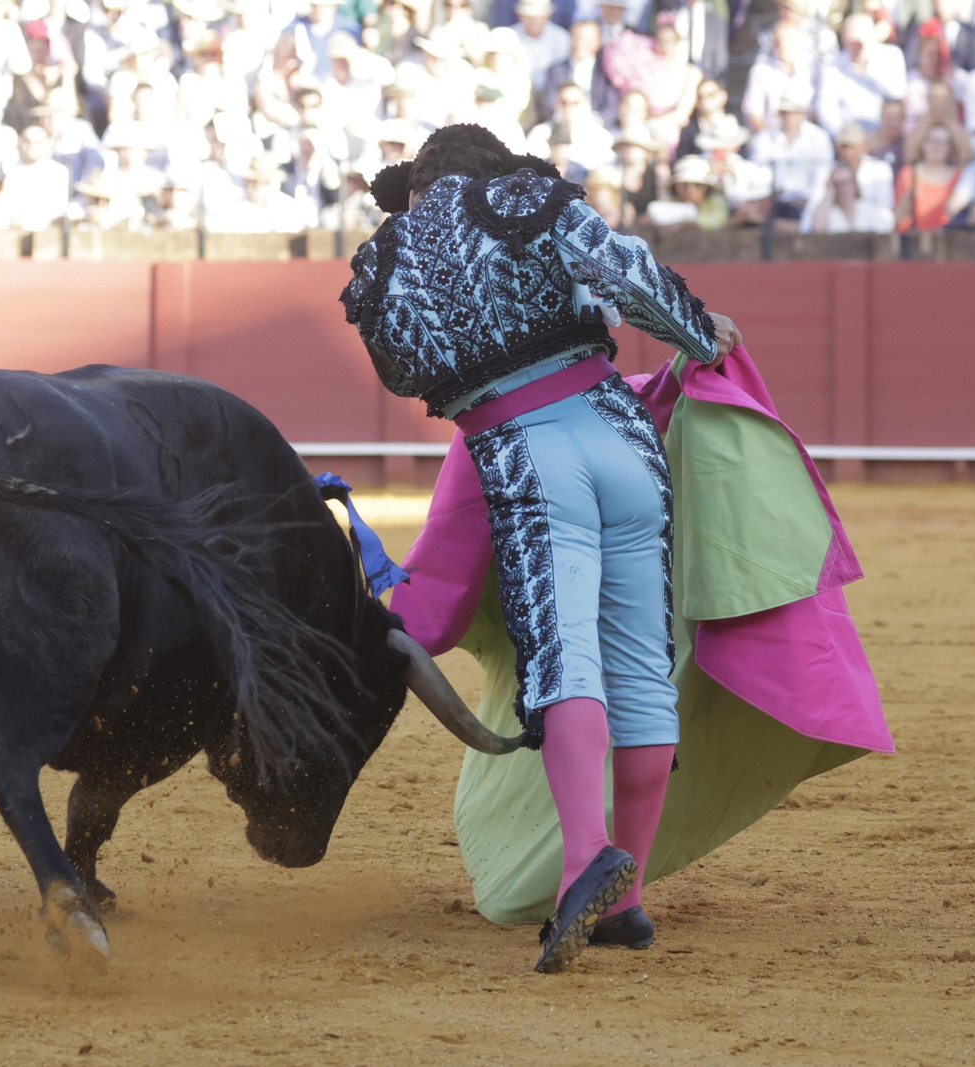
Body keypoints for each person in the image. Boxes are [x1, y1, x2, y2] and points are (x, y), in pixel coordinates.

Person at [341, 122, 741, 973]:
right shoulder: (529, 198)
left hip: (525, 452)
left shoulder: (387, 254)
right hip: (621, 436)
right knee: (639, 658)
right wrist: (701, 336)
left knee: (565, 656)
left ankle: (581, 861)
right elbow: (628, 274)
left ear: (419, 185)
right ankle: (626, 903)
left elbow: (402, 372)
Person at [748, 84, 833, 227]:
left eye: (795, 112)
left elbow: (821, 181)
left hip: (805, 205)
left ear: (803, 113)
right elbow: (757, 178)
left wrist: (807, 206)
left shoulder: (819, 138)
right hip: (772, 204)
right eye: (786, 112)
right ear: (779, 113)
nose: (790, 116)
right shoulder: (763, 139)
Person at [896, 122, 963, 231]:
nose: (936, 147)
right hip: (914, 240)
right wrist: (909, 198)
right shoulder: (908, 174)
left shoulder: (960, 176)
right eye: (931, 141)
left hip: (947, 241)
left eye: (942, 142)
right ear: (922, 144)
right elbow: (898, 219)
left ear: (950, 148)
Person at [805, 161, 895, 231]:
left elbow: (888, 225)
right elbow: (817, 229)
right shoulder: (828, 212)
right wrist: (829, 194)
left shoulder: (869, 210)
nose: (842, 189)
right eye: (837, 184)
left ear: (855, 184)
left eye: (846, 183)